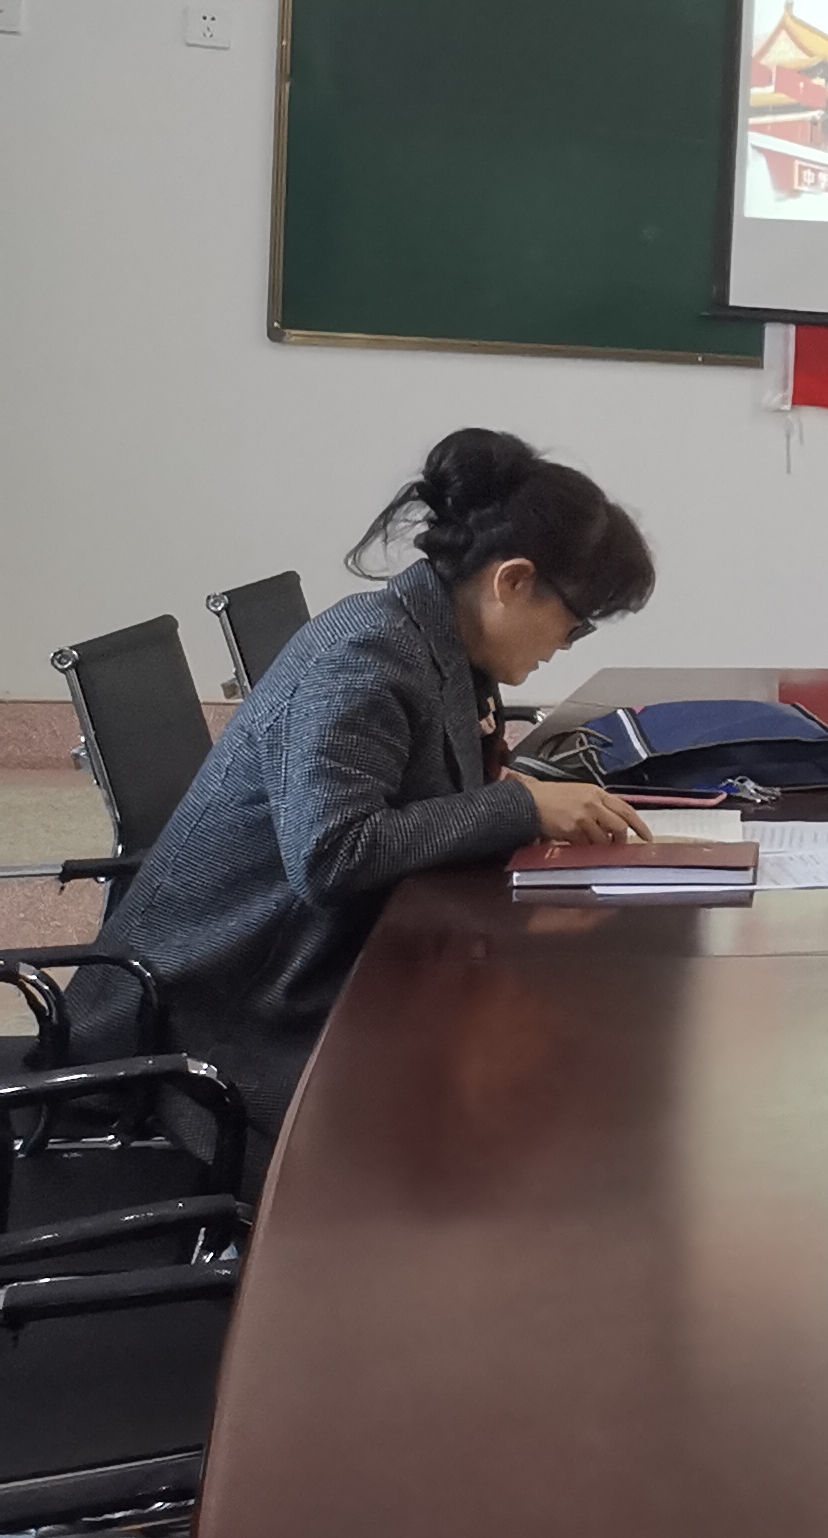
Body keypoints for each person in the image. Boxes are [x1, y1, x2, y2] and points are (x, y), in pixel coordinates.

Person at [67, 431, 659, 1130]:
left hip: (298, 968)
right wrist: (520, 806)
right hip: (208, 1023)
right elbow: (333, 854)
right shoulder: (366, 655)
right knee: (499, 1110)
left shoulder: (437, 640)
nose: (563, 646)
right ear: (513, 582)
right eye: (575, 626)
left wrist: (519, 798)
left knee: (544, 1053)